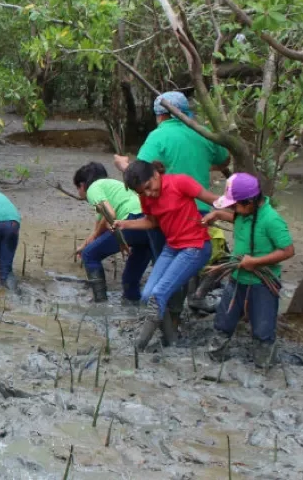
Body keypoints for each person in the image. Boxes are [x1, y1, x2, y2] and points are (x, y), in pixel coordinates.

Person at [114, 91, 231, 318]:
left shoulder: (158, 137)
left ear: (160, 115)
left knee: (166, 265)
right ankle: (188, 303)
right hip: (200, 212)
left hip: (168, 214)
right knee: (186, 260)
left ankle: (172, 316)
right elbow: (224, 159)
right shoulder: (202, 132)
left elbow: (141, 172)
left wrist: (122, 165)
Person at [115, 160, 222, 350]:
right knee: (147, 296)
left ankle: (138, 348)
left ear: (156, 175)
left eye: (149, 187)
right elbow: (151, 222)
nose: (148, 194)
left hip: (195, 247)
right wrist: (125, 224)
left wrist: (239, 211)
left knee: (158, 294)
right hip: (172, 247)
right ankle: (172, 341)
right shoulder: (145, 196)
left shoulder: (180, 182)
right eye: (142, 192)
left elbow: (214, 200)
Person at [201, 173, 295, 367]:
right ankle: (213, 358)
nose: (233, 209)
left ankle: (264, 366)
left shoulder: (271, 220)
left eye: (235, 205)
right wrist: (218, 214)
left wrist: (257, 262)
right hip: (237, 279)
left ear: (250, 202)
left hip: (262, 284)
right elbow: (239, 219)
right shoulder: (244, 213)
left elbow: (288, 250)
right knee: (223, 322)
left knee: (263, 330)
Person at [72, 162, 155, 305]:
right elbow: (99, 229)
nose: (79, 193)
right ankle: (133, 307)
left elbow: (110, 213)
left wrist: (88, 249)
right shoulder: (111, 186)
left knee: (90, 255)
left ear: (83, 185)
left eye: (77, 188)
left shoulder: (93, 188)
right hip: (149, 225)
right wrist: (84, 245)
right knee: (130, 279)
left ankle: (100, 302)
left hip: (131, 220)